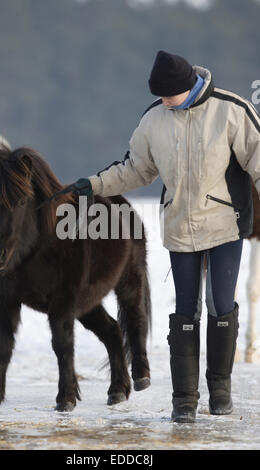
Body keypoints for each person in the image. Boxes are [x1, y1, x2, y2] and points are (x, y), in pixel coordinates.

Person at [70, 51, 260, 423]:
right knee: (185, 312)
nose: (165, 102)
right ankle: (184, 399)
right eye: (160, 96)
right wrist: (93, 185)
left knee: (221, 306)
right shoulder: (154, 119)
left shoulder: (231, 110)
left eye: (170, 96)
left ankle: (219, 389)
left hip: (225, 225)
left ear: (188, 86)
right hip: (179, 229)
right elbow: (136, 169)